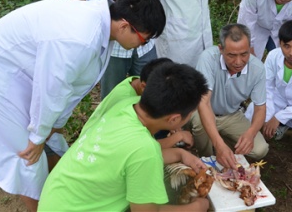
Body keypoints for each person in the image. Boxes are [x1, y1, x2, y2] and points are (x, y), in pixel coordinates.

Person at [0, 0, 166, 211]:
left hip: (21, 76)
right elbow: (52, 88)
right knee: (28, 158)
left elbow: (71, 86)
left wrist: (54, 127)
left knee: (50, 143)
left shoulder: (102, 27)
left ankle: (57, 196)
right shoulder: (80, 38)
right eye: (144, 40)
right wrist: (38, 136)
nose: (142, 47)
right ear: (125, 26)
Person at [38, 63, 210, 212]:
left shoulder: (126, 105)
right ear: (174, 119)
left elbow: (128, 159)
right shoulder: (144, 149)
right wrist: (195, 208)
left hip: (56, 199)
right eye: (189, 114)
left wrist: (181, 154)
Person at [191, 24, 269, 169]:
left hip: (232, 115)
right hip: (206, 111)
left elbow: (260, 108)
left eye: (244, 54)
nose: (238, 62)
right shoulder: (208, 58)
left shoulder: (257, 68)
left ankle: (224, 146)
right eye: (232, 55)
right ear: (220, 49)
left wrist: (251, 133)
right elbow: (204, 103)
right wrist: (218, 145)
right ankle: (207, 160)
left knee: (260, 149)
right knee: (199, 122)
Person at [245, 20, 292, 160]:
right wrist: (267, 113)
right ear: (280, 43)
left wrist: (278, 117)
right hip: (278, 99)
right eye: (286, 46)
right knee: (252, 113)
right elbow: (266, 87)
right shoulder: (273, 56)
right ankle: (267, 130)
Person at [92, 57, 194, 149]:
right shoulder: (129, 103)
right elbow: (140, 147)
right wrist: (177, 137)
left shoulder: (137, 81)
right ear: (144, 86)